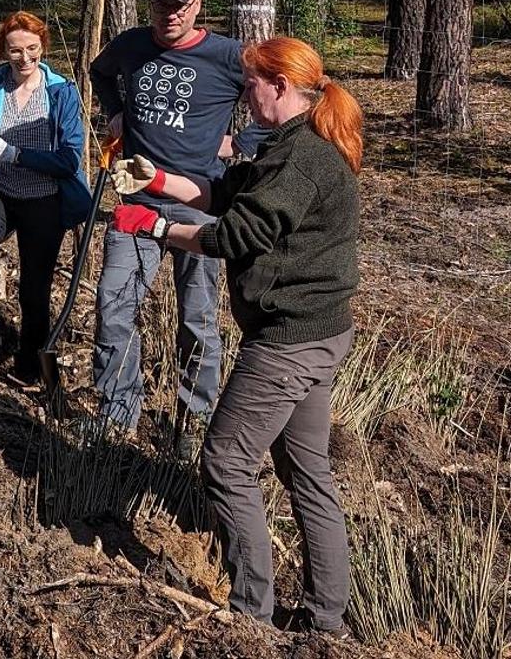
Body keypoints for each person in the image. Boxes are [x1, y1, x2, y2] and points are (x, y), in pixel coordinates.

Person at [108, 36, 361, 637]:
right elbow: (226, 193)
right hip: (319, 332)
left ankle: (252, 618)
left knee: (226, 461)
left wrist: (155, 225)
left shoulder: (302, 160)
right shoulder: (290, 147)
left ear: (280, 86)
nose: (244, 94)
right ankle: (326, 621)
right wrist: (159, 178)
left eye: (251, 84)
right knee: (306, 472)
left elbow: (232, 236)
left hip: (289, 338)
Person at [86, 0, 263, 440]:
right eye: (161, 6)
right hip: (136, 197)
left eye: (179, 7)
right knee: (114, 301)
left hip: (199, 202)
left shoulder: (228, 56)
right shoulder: (131, 45)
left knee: (198, 314)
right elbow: (99, 72)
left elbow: (286, 93)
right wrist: (117, 111)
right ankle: (117, 410)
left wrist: (243, 143)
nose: (170, 16)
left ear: (197, 6)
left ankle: (193, 418)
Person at [0, 11, 91, 385]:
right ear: (4, 50)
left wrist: (12, 153)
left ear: (43, 46)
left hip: (44, 197)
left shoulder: (61, 92)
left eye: (32, 48)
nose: (24, 58)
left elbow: (69, 160)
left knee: (36, 285)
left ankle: (30, 363)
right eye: (15, 50)